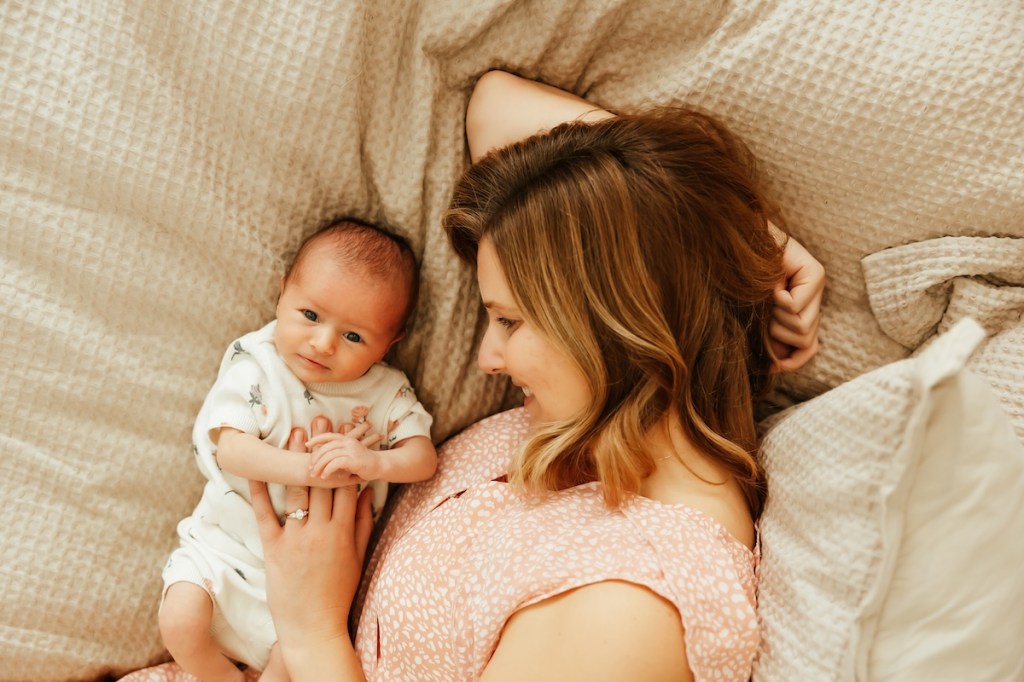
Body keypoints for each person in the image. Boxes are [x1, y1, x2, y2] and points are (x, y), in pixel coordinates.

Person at [127, 70, 823, 681]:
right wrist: (747, 240)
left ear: (625, 316)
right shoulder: (586, 419)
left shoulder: (630, 612)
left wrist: (310, 627)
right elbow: (496, 109)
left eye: (511, 322)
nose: (487, 356)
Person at [157, 219, 437, 682]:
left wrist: (376, 462)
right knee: (179, 623)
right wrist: (308, 469)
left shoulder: (386, 390)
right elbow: (232, 450)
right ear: (282, 292)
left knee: (291, 661)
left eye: (354, 336)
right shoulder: (259, 361)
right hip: (222, 550)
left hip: (315, 584)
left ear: (391, 343)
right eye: (310, 315)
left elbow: (423, 458)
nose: (323, 343)